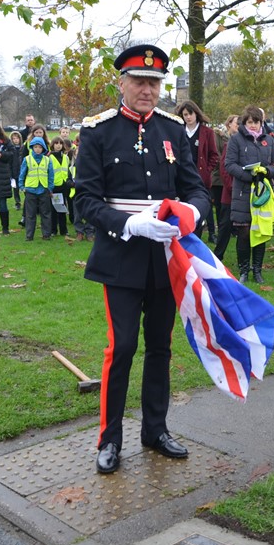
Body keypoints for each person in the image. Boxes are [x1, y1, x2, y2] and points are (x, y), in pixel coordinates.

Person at [73, 44, 210, 474]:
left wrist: (191, 215)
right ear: (122, 84)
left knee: (161, 347)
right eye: (139, 81)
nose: (147, 89)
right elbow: (86, 201)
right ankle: (109, 438)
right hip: (121, 257)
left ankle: (155, 429)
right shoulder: (98, 131)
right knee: (124, 346)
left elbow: (198, 190)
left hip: (167, 259)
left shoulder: (171, 130)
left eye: (154, 83)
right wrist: (131, 225)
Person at [225, 105, 274, 284]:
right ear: (244, 123)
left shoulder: (269, 140)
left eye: (256, 122)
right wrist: (248, 175)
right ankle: (243, 270)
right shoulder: (236, 140)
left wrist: (266, 171)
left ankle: (257, 270)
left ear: (261, 123)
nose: (254, 126)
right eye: (250, 122)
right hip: (242, 192)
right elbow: (230, 164)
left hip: (261, 193)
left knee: (260, 232)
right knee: (243, 233)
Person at [176, 100, 220, 242]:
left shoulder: (206, 132)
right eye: (185, 115)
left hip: (200, 179)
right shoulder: (179, 130)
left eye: (190, 114)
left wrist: (207, 171)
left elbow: (214, 155)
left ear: (196, 114)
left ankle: (197, 238)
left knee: (199, 211)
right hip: (181, 179)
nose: (188, 117)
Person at [212, 115, 238, 261]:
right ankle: (218, 255)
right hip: (229, 190)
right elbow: (224, 167)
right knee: (225, 224)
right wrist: (231, 186)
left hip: (244, 192)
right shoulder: (228, 143)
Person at [19, 136, 54, 241]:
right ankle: (29, 235)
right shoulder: (27, 159)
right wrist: (22, 186)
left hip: (44, 189)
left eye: (40, 147)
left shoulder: (47, 160)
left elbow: (51, 175)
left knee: (46, 213)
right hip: (30, 190)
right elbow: (22, 174)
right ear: (32, 148)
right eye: (35, 147)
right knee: (30, 214)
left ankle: (46, 234)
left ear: (43, 148)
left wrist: (50, 188)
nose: (38, 149)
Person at [49, 136, 72, 238]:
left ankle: (64, 230)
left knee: (63, 208)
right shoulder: (49, 158)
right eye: (56, 143)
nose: (58, 145)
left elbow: (68, 170)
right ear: (52, 145)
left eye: (60, 143)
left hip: (64, 185)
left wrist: (69, 181)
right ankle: (53, 230)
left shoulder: (66, 157)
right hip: (54, 186)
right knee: (54, 209)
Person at [8, 131, 23, 209]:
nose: (16, 140)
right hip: (14, 172)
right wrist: (10, 174)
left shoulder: (23, 148)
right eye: (14, 138)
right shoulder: (11, 150)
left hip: (22, 171)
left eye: (17, 138)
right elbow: (9, 163)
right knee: (15, 189)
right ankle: (17, 202)